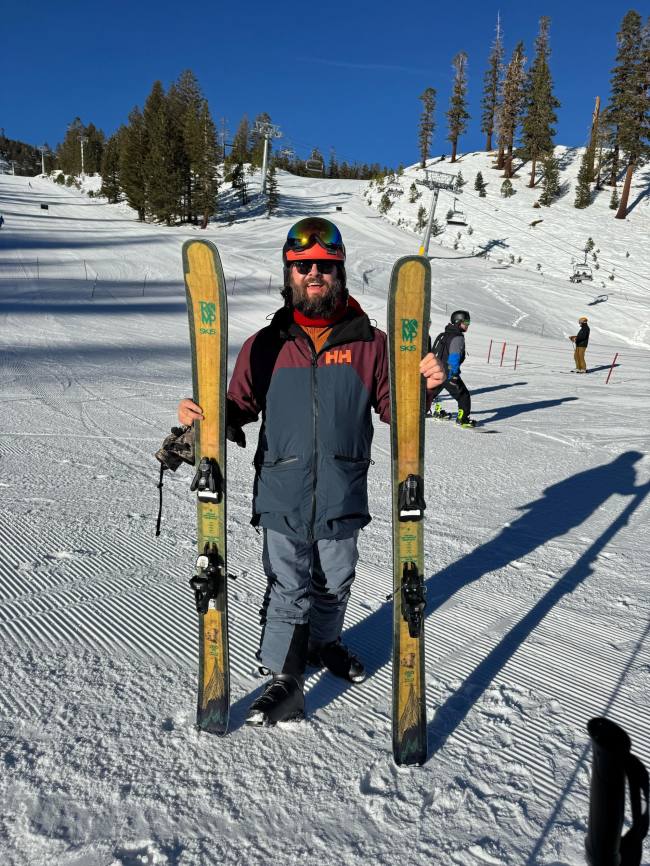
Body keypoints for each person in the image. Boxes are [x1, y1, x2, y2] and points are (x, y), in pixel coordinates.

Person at [177, 217, 446, 726]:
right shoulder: (265, 344)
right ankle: (286, 677)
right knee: (289, 584)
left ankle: (325, 642)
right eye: (303, 267)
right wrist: (202, 416)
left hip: (344, 488)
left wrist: (425, 387)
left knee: (336, 580)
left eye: (324, 265)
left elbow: (397, 413)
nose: (314, 274)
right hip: (282, 489)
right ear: (290, 274)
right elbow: (237, 406)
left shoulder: (373, 344)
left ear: (340, 272)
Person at [427, 310, 475, 427]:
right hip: (448, 373)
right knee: (463, 395)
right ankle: (463, 419)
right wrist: (453, 374)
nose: (468, 325)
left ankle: (422, 410)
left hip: (436, 372)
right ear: (458, 322)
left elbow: (434, 352)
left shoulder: (443, 335)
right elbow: (454, 357)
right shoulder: (458, 337)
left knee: (430, 394)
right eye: (466, 322)